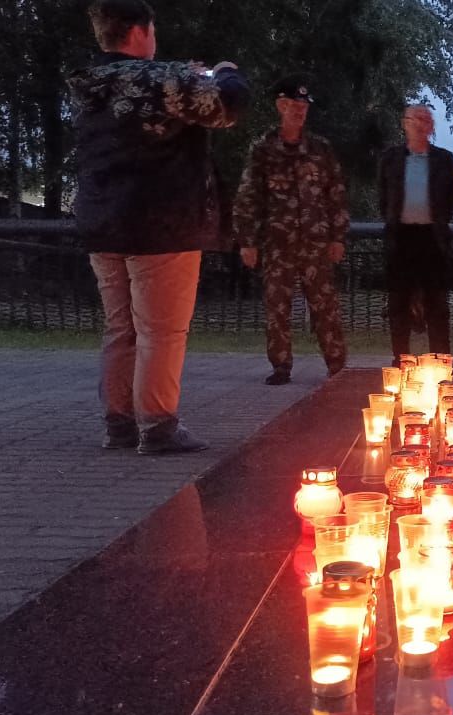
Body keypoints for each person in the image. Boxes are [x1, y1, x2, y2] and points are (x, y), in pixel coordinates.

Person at [69, 0, 249, 454]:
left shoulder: (90, 83)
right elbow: (229, 104)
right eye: (152, 29)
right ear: (137, 31)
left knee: (120, 327)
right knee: (161, 330)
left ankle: (119, 423)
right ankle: (158, 425)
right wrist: (224, 70)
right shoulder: (158, 79)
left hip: (102, 222)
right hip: (160, 223)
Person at [234, 75, 351, 385]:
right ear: (280, 106)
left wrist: (338, 237)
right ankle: (281, 366)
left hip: (316, 241)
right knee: (277, 307)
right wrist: (247, 241)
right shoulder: (263, 149)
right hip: (277, 242)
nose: (300, 111)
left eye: (303, 107)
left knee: (325, 306)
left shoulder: (320, 149)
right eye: (294, 106)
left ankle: (337, 366)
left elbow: (336, 194)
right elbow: (248, 196)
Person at [377, 104, 453, 365]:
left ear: (432, 126)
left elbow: (450, 198)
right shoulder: (390, 158)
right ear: (404, 123)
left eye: (426, 119)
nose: (420, 124)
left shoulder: (444, 159)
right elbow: (383, 197)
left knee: (436, 304)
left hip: (432, 240)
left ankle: (440, 361)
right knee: (398, 303)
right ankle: (401, 360)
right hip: (401, 239)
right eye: (414, 119)